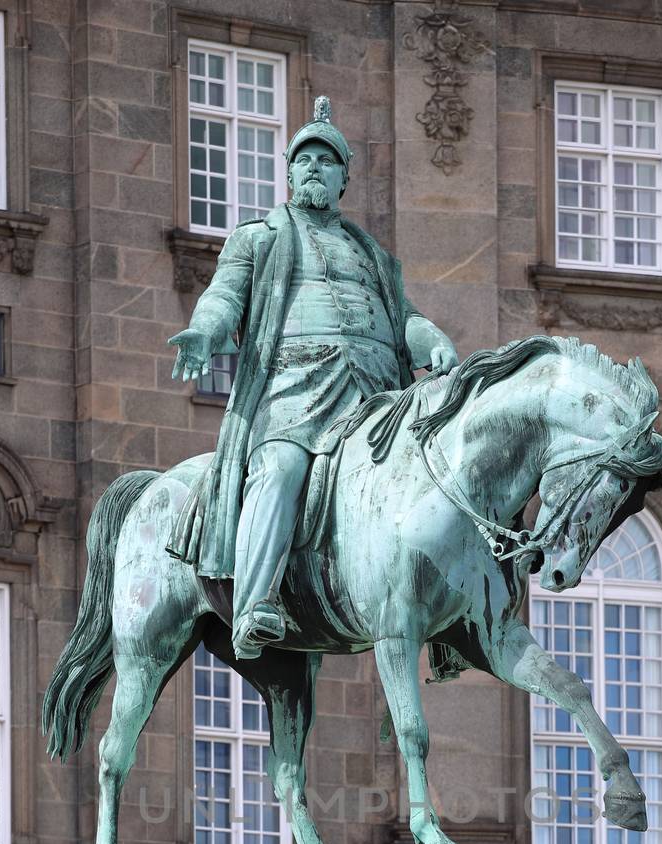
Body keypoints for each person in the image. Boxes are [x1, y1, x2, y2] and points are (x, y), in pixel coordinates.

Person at [167, 96, 458, 659]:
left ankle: (449, 624)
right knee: (279, 469)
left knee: (433, 479)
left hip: (375, 398)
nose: (314, 168)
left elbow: (407, 320)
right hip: (292, 392)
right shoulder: (260, 237)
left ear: (344, 178)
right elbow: (224, 296)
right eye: (305, 159)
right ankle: (255, 604)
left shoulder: (372, 254)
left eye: (327, 161)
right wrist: (204, 332)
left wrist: (434, 340)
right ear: (289, 169)